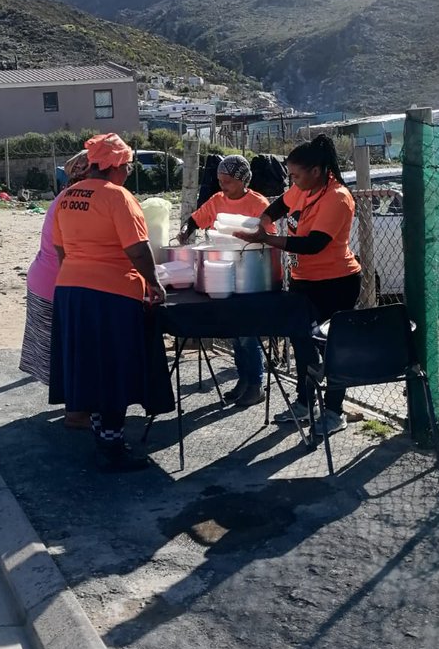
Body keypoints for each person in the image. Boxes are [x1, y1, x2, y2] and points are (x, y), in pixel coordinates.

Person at [48, 132, 170, 472]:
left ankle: (102, 434)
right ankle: (113, 444)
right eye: (128, 166)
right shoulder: (118, 197)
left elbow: (61, 250)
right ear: (116, 166)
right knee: (115, 367)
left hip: (72, 290)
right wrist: (154, 283)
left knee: (90, 366)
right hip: (112, 294)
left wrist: (79, 275)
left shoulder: (67, 196)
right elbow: (137, 249)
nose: (129, 171)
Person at [234, 134, 361, 433]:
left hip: (337, 284)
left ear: (317, 171)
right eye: (290, 175)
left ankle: (334, 412)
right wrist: (263, 218)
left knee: (333, 349)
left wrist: (268, 239)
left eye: (296, 175)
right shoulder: (303, 189)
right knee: (302, 344)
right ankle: (305, 403)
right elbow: (281, 205)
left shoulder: (338, 197)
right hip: (305, 282)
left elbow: (313, 244)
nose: (292, 181)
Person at [179, 154, 273, 407]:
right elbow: (196, 220)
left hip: (251, 273)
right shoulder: (217, 200)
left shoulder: (258, 203)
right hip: (224, 272)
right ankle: (244, 379)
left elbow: (268, 235)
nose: (223, 185)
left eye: (228, 181)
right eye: (220, 180)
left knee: (247, 332)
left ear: (243, 180)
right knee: (235, 331)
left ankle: (256, 384)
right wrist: (185, 232)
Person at [19, 151, 92, 428]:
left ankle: (75, 408)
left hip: (45, 279)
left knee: (62, 351)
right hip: (56, 284)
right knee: (72, 350)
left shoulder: (68, 197)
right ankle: (76, 413)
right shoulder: (77, 202)